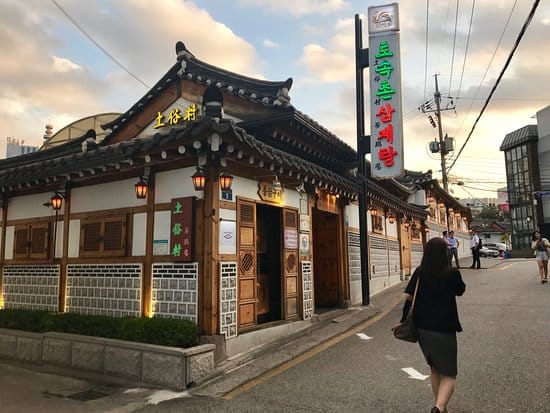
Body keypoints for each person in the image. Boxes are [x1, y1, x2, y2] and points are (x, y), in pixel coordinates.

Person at [401, 238, 466, 413]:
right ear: (445, 253)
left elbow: (407, 296)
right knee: (450, 373)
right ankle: (438, 407)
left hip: (422, 327)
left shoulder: (420, 272)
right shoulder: (451, 273)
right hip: (445, 327)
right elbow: (460, 290)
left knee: (435, 368)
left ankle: (441, 408)